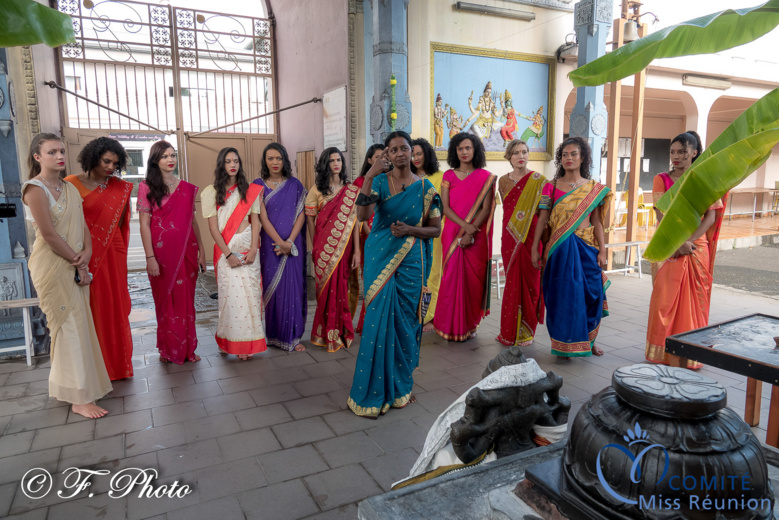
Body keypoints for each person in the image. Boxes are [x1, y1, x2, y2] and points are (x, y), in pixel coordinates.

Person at [348, 130, 442, 418]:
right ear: (387, 154)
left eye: (404, 148)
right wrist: (368, 176)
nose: (400, 153)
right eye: (393, 149)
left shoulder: (426, 189)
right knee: (377, 321)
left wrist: (410, 230)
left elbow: (436, 229)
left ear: (413, 152)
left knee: (405, 323)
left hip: (412, 261)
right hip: (380, 256)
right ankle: (372, 392)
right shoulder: (378, 182)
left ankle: (401, 388)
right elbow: (363, 217)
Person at [22, 133, 112, 418]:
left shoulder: (69, 187)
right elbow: (48, 234)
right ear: (38, 157)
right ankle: (78, 399)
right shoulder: (35, 189)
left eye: (62, 151)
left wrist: (87, 249)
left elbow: (82, 224)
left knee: (79, 327)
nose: (60, 156)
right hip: (52, 266)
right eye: (52, 152)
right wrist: (79, 264)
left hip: (74, 262)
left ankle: (71, 387)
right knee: (68, 327)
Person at [645, 131, 726, 369]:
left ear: (694, 153)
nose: (676, 156)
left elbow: (710, 216)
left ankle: (691, 355)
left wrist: (688, 241)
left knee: (694, 303)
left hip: (697, 247)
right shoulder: (662, 179)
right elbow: (661, 215)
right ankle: (661, 353)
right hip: (670, 244)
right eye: (673, 152)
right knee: (664, 301)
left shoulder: (704, 178)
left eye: (682, 151)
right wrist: (678, 242)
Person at [530, 137, 612, 358]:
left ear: (582, 157)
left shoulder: (593, 189)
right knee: (563, 296)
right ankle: (564, 343)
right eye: (565, 154)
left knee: (590, 294)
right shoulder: (551, 186)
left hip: (586, 248)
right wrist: (534, 248)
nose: (569, 158)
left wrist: (603, 250)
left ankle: (588, 340)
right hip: (559, 250)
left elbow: (597, 223)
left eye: (573, 154)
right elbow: (542, 219)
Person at [64, 137, 134, 381]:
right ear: (93, 158)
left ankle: (116, 365)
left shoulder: (120, 188)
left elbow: (123, 224)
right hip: (83, 252)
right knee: (90, 306)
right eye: (106, 161)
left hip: (112, 251)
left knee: (114, 304)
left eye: (115, 163)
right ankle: (93, 368)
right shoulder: (70, 184)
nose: (111, 167)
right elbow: (66, 222)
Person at [138, 141, 207, 364]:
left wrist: (202, 251)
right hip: (161, 257)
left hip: (187, 252)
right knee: (166, 301)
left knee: (186, 299)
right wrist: (150, 257)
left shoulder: (186, 188)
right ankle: (169, 349)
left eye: (173, 155)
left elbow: (192, 222)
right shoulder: (146, 187)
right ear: (155, 160)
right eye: (165, 156)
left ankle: (188, 349)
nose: (170, 160)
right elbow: (144, 224)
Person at [201, 147, 266, 360]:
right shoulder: (211, 192)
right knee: (230, 300)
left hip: (248, 250)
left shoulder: (251, 190)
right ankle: (230, 342)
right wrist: (228, 255)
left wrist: (255, 249)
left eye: (236, 161)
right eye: (228, 161)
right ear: (222, 164)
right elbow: (213, 228)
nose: (233, 165)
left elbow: (255, 220)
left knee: (251, 297)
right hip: (226, 252)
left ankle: (247, 344)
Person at [433, 133, 496, 341]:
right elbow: (445, 207)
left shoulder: (485, 178)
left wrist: (471, 230)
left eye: (468, 148)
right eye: (460, 148)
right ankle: (446, 325)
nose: (464, 152)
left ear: (475, 150)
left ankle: (469, 325)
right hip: (453, 232)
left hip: (475, 237)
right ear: (455, 151)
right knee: (450, 278)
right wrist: (465, 227)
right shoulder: (448, 176)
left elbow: (486, 209)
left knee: (472, 280)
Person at [253, 143, 308, 352]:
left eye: (278, 158)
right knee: (272, 289)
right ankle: (274, 335)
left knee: (292, 287)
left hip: (292, 246)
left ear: (284, 159)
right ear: (265, 161)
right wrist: (279, 242)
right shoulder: (257, 185)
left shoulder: (295, 185)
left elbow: (301, 214)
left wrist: (289, 243)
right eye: (270, 158)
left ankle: (292, 337)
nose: (274, 162)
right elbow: (262, 217)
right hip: (270, 245)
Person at [305, 147, 361, 352]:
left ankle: (343, 332)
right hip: (323, 249)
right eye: (331, 160)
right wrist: (315, 248)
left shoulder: (351, 189)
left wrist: (357, 250)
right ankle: (325, 333)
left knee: (342, 290)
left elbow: (354, 222)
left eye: (339, 159)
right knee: (326, 291)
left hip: (344, 247)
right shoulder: (316, 190)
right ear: (324, 164)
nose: (336, 163)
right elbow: (311, 222)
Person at [496, 139, 547, 347]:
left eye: (524, 152)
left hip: (532, 237)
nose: (521, 156)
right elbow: (509, 210)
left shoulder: (539, 180)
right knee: (512, 283)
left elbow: (544, 214)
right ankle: (509, 331)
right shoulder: (502, 181)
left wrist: (538, 245)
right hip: (510, 237)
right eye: (516, 153)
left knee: (532, 283)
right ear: (509, 157)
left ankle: (527, 330)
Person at [411, 137, 445, 333]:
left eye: (419, 153)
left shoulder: (439, 177)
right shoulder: (407, 176)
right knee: (415, 272)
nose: (415, 158)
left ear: (427, 154)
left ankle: (429, 316)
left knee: (433, 273)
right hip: (411, 233)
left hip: (434, 233)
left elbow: (443, 208)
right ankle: (414, 313)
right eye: (413, 154)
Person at [353, 144, 385, 334]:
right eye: (378, 157)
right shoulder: (360, 182)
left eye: (384, 156)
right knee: (371, 279)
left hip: (387, 235)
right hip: (369, 237)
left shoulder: (389, 179)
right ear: (370, 160)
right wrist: (369, 231)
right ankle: (368, 322)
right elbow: (360, 213)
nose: (382, 159)